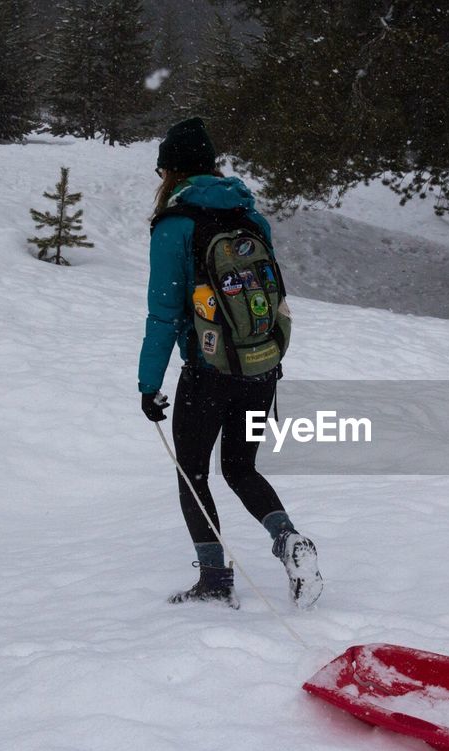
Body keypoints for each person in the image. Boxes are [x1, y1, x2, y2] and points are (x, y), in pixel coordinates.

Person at [138, 118, 322, 610]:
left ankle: (216, 582)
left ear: (171, 171)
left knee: (193, 475)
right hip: (260, 367)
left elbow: (163, 312)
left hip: (208, 371)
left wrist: (148, 383)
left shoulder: (176, 226)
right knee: (241, 469)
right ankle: (289, 541)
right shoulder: (249, 217)